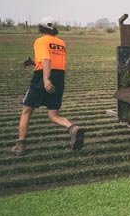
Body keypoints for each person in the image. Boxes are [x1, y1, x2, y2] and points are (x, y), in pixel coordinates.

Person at [13, 17, 84, 156]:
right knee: (53, 114)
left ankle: (20, 146)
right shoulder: (61, 42)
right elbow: (54, 61)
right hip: (59, 77)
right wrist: (34, 62)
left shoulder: (40, 41)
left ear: (41, 28)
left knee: (27, 110)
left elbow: (46, 59)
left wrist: (45, 79)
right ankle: (72, 127)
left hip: (43, 77)